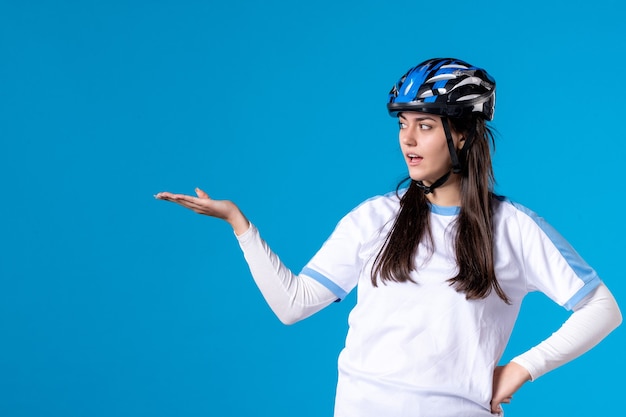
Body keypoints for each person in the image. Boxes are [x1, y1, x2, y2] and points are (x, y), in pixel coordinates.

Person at [155, 58, 622, 416]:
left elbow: (603, 309)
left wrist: (522, 369)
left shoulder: (513, 228)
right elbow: (292, 305)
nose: (408, 140)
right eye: (403, 125)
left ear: (460, 135)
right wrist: (241, 225)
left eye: (424, 125)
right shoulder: (375, 218)